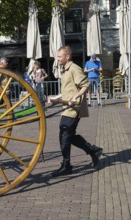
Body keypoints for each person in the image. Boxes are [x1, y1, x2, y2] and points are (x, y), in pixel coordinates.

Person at [48, 46, 103, 177]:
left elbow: (85, 85)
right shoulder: (64, 70)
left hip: (74, 109)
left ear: (67, 57)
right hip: (67, 108)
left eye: (59, 56)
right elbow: (68, 90)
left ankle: (67, 165)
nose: (58, 58)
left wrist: (76, 97)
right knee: (67, 135)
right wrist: (56, 98)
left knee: (65, 136)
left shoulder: (74, 68)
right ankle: (93, 150)